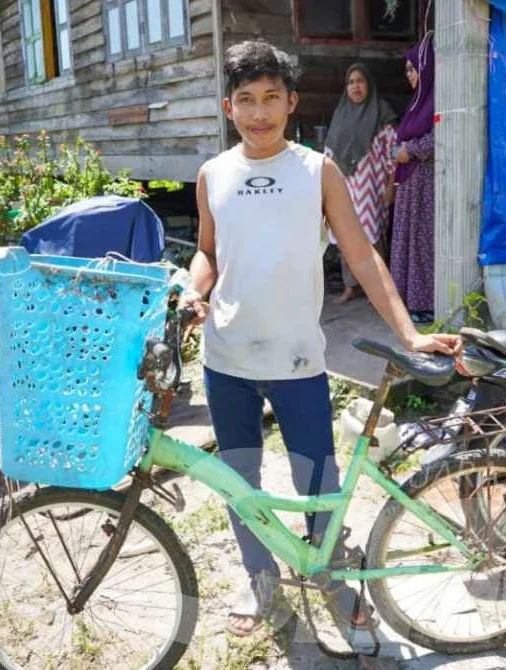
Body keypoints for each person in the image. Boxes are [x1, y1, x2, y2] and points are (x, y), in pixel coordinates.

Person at [178, 39, 461, 638]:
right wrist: (192, 290)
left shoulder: (317, 171)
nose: (259, 113)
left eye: (271, 98)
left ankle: (331, 577)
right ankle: (260, 582)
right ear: (229, 107)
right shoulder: (213, 175)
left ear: (292, 102)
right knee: (240, 483)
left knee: (318, 482)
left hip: (299, 362)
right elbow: (208, 252)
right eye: (246, 100)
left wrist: (410, 333)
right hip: (226, 360)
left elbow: (361, 256)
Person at [323, 63, 399, 304]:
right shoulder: (341, 114)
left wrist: (391, 184)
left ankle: (381, 289)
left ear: (369, 84)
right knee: (343, 234)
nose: (355, 86)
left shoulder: (382, 113)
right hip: (343, 186)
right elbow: (329, 153)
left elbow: (393, 153)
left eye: (360, 81)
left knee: (372, 237)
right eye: (351, 82)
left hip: (372, 188)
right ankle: (350, 286)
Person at [390, 36, 436, 324]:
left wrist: (412, 150)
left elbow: (442, 137)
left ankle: (425, 303)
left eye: (413, 68)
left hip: (425, 185)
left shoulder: (437, 102)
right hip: (410, 184)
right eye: (406, 70)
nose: (410, 75)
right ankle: (408, 299)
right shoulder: (416, 103)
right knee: (408, 240)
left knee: (421, 242)